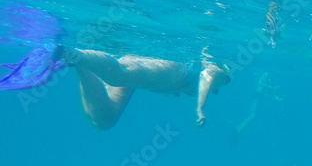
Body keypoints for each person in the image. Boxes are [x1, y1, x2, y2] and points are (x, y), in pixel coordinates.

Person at [60, 48, 230, 129]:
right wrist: (200, 109)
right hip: (175, 72)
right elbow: (207, 76)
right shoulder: (222, 74)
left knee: (103, 119)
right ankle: (67, 52)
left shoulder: (204, 78)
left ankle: (79, 61)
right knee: (119, 75)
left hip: (162, 76)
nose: (216, 91)